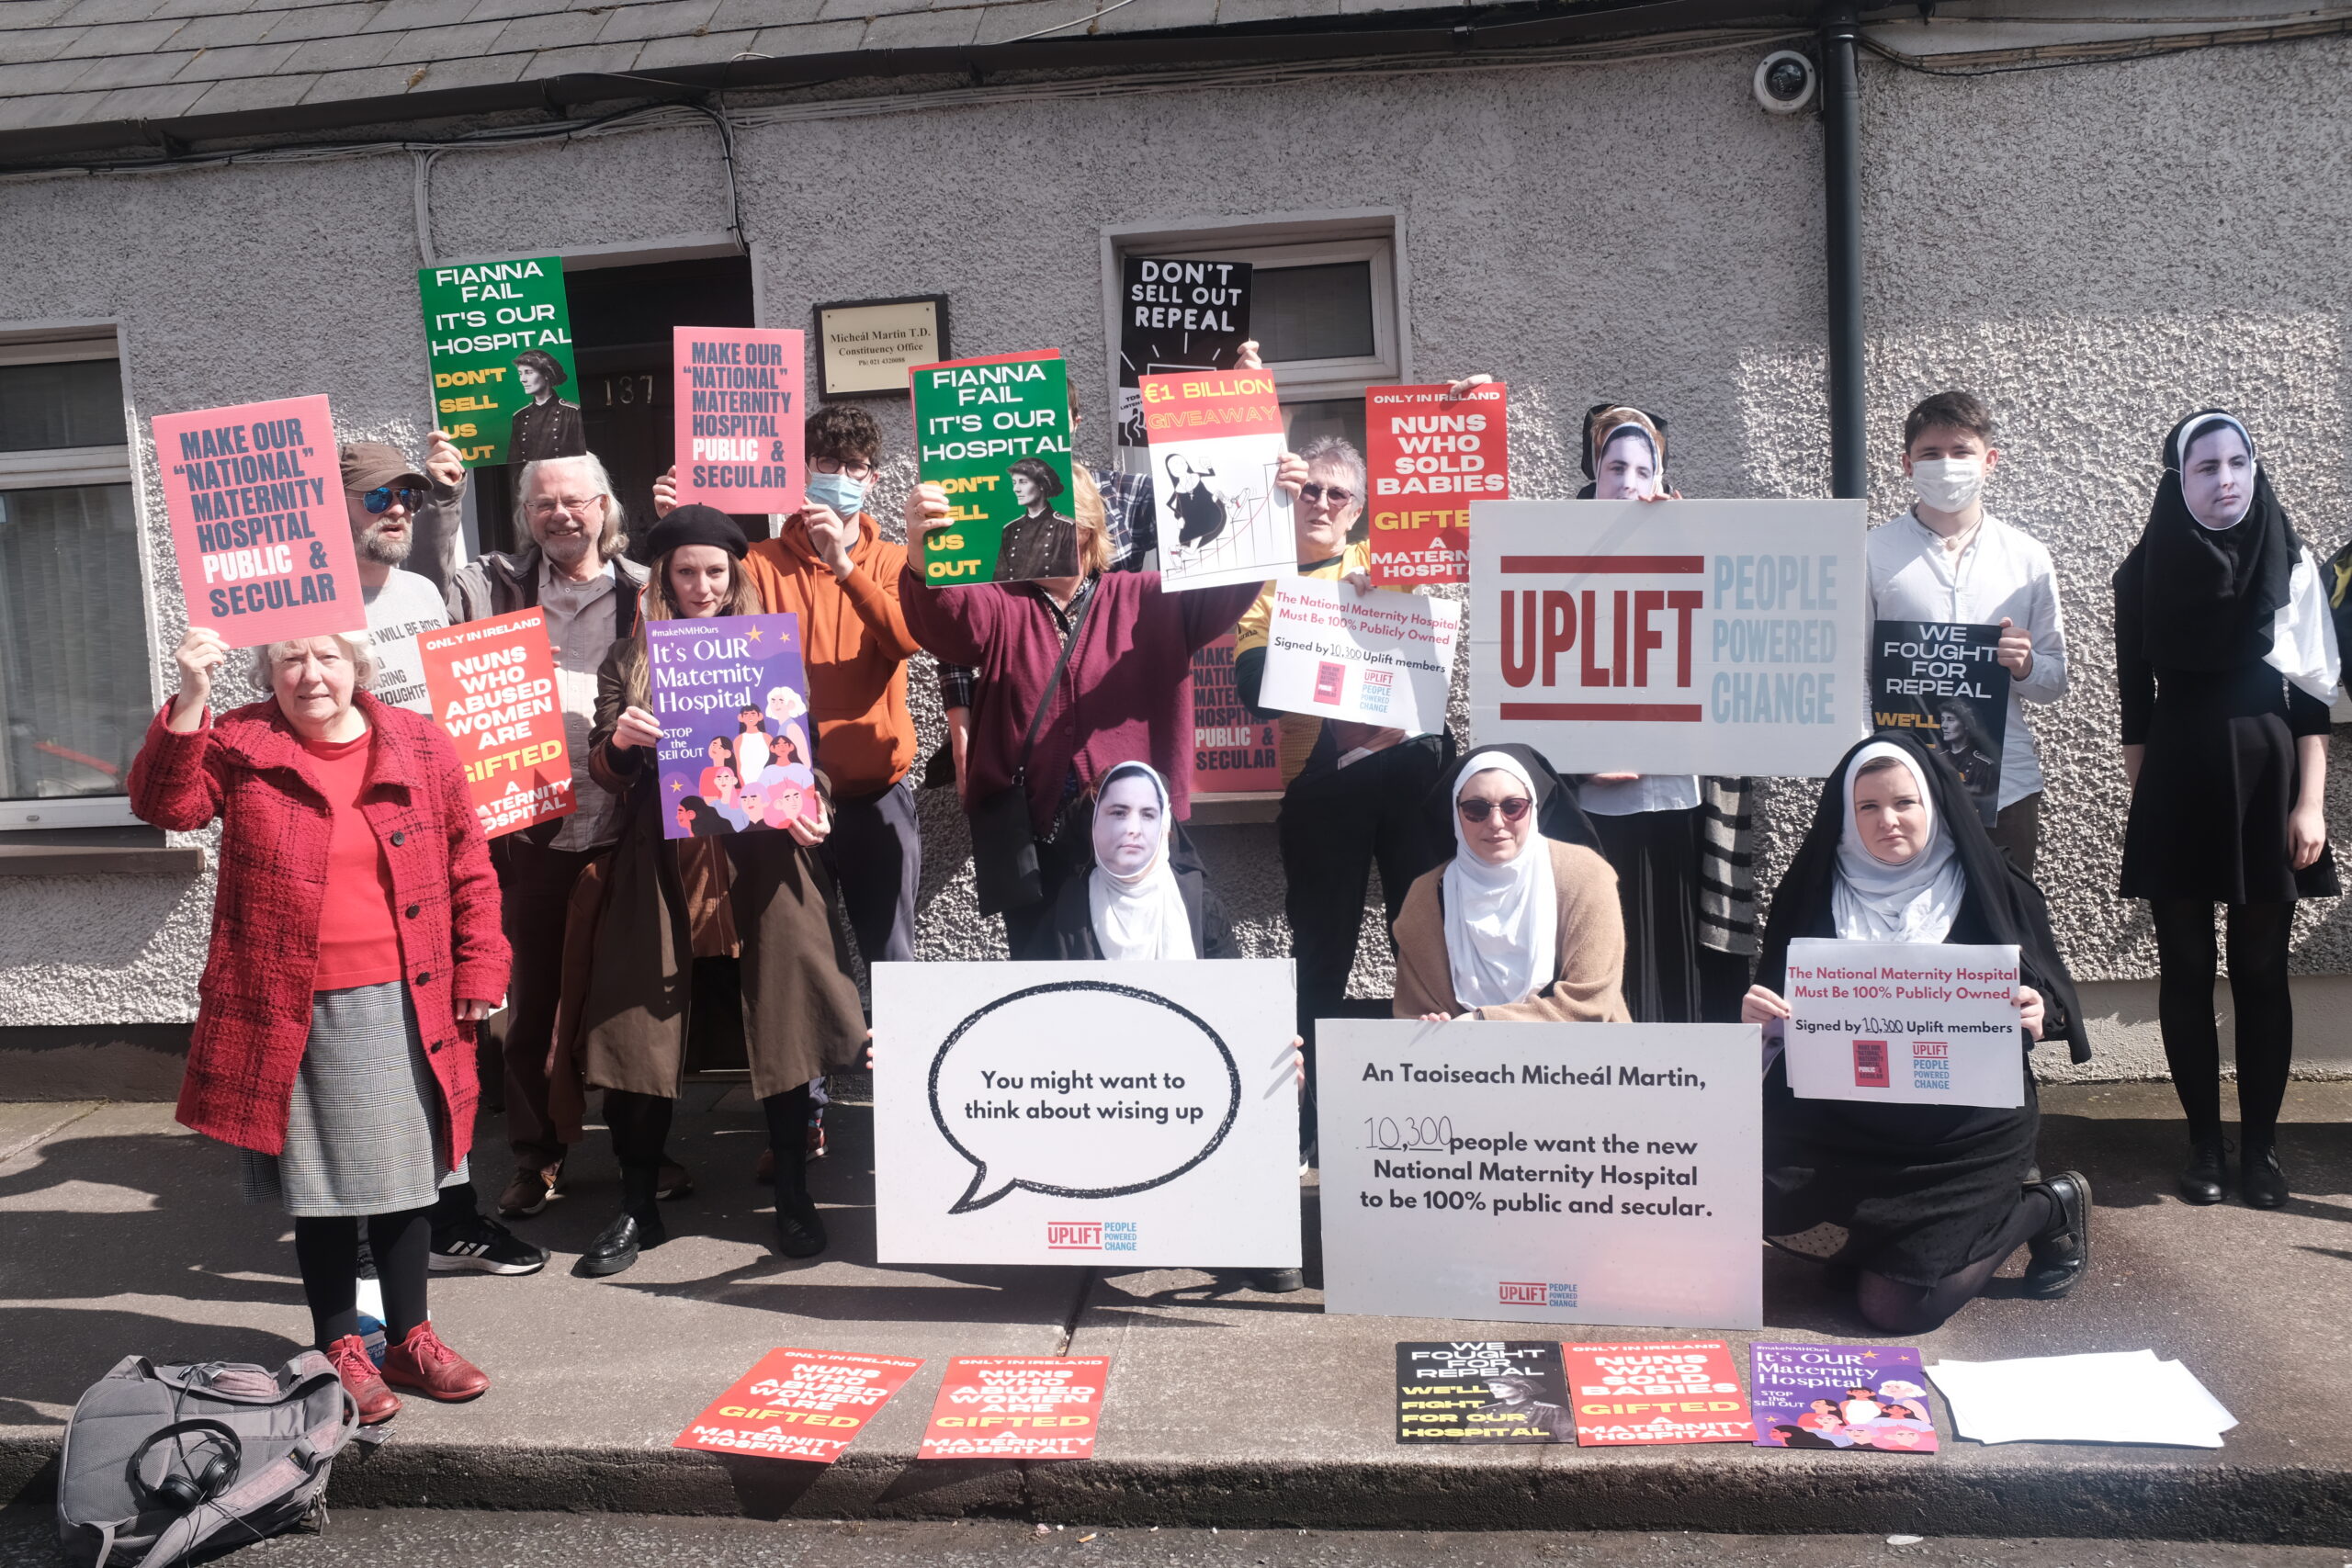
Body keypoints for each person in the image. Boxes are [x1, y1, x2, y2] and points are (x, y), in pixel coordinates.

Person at [129, 626, 508, 1424]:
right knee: (326, 1189)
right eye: (291, 659)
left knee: (413, 1179)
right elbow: (165, 803)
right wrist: (192, 695)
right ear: (270, 673)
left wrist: (481, 966)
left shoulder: (418, 741)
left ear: (360, 667)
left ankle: (410, 1338)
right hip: (290, 1004)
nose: (311, 674)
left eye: (328, 657)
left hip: (410, 994)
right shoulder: (240, 739)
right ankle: (341, 1345)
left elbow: (469, 860)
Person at [569, 505, 867, 1275]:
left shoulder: (769, 652)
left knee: (787, 1024)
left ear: (734, 575)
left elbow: (807, 753)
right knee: (637, 1029)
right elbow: (606, 767)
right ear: (663, 578)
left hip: (763, 862)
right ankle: (638, 1206)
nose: (701, 586)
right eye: (684, 572)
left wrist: (815, 800)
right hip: (663, 863)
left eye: (714, 571)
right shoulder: (627, 658)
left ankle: (793, 1194)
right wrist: (622, 745)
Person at [1740, 735, 2091, 1333]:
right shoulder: (1811, 889)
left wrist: (2039, 1010)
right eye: (1868, 807)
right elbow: (1777, 1009)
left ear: (1934, 804)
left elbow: (2051, 994)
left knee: (1895, 1307)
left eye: (1905, 802)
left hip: (1958, 1137)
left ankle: (2046, 1205)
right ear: (1847, 816)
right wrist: (1759, 1016)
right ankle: (1877, 1244)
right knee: (1748, 1199)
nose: (1888, 820)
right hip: (1838, 1123)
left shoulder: (1988, 883)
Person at [900, 454, 1299, 956]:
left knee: (1143, 969)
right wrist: (920, 553)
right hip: (1037, 839)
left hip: (1132, 826)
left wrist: (1264, 486)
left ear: (1085, 530)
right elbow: (947, 622)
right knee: (1046, 983)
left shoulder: (1150, 598)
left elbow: (1230, 581)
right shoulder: (1003, 603)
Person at [421, 450, 653, 1226]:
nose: (561, 514)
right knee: (530, 1004)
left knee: (627, 1002)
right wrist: (446, 505)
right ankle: (536, 1154)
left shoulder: (644, 590)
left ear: (604, 506)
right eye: (544, 503)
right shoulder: (493, 587)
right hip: (528, 830)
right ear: (525, 514)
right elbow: (430, 602)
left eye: (576, 501)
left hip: (627, 826)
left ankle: (640, 1155)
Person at [2114, 410, 2339, 1209]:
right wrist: (2151, 805)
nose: (2225, 478)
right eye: (2205, 467)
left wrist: (2311, 805)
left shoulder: (2293, 558)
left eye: (2238, 460)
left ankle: (2263, 1150)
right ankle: (2204, 1144)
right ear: (2180, 479)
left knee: (2260, 969)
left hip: (2268, 778)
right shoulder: (2140, 573)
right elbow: (2135, 711)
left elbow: (2313, 697)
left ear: (2254, 465)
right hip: (2176, 776)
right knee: (2184, 969)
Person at [653, 404, 926, 976]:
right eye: (829, 463)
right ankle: (819, 1072)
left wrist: (844, 566)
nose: (842, 476)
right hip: (784, 796)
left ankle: (899, 1067)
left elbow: (905, 640)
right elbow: (702, 637)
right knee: (802, 966)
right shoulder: (757, 563)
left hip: (877, 791)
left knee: (894, 963)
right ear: (805, 470)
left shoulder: (896, 561)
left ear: (873, 478)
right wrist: (681, 533)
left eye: (856, 467)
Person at [1232, 434, 1453, 1138]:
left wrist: (1464, 405)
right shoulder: (1263, 583)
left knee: (1425, 950)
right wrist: (1324, 627)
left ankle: (1438, 1114)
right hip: (1320, 787)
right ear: (1289, 500)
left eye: (1338, 493)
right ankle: (1302, 1124)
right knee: (1320, 955)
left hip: (1410, 781)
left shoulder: (1383, 560)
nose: (1322, 502)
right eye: (1309, 490)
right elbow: (1255, 694)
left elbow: (1451, 520)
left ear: (1358, 510)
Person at [1570, 405, 1756, 1023]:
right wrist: (1576, 764)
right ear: (1593, 474)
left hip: (1681, 800)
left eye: (1642, 468)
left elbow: (1739, 653)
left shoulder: (1695, 550)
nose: (1628, 480)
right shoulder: (1550, 556)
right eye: (1614, 465)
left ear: (1661, 478)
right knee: (1602, 955)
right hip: (1594, 809)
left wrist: (1697, 550)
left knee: (1680, 965)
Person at [1866, 390, 2069, 872]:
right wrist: (1871, 772)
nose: (1947, 465)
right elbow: (1856, 673)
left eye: (1961, 452)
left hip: (2007, 782)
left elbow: (2054, 680)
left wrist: (2025, 666)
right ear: (1907, 464)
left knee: (2004, 928)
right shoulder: (1872, 552)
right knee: (1910, 929)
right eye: (1931, 454)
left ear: (1989, 460)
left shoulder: (2027, 558)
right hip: (1903, 784)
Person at [1391, 746, 1632, 1022]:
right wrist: (1431, 1026)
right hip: (1460, 1063)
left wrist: (1483, 1021)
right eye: (1476, 809)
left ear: (1534, 809)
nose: (1495, 822)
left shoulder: (1586, 876)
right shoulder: (1426, 897)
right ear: (1456, 815)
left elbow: (1588, 1004)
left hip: (1581, 1061)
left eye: (1513, 807)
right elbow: (1412, 1013)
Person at [1025, 761, 1238, 960]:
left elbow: (1232, 993)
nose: (1132, 830)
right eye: (1118, 813)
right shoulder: (1067, 911)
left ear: (1165, 829)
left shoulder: (1201, 908)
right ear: (1094, 827)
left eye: (1147, 814)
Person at [342, 436, 464, 716]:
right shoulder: (319, 612)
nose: (398, 509)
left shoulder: (425, 590)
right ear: (337, 507)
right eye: (377, 497)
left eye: (408, 497)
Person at [993, 457, 1080, 582]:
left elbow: (1072, 581)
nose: (1016, 489)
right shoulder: (1010, 529)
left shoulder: (1066, 527)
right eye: (1014, 482)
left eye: (1023, 482)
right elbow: (999, 581)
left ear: (1041, 485)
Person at [508, 349, 586, 463]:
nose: (522, 379)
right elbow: (514, 462)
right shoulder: (519, 417)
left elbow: (582, 461)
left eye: (528, 372)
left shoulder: (572, 412)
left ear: (547, 375)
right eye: (520, 373)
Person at [1163, 453, 1227, 549]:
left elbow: (1212, 474)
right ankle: (1187, 550)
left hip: (1211, 510)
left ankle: (1229, 503)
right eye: (1174, 465)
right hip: (1194, 520)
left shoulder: (1196, 475)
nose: (1179, 466)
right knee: (1190, 538)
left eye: (1181, 462)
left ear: (1186, 463)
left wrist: (1208, 466)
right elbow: (1169, 504)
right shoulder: (1178, 489)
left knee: (1216, 493)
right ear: (1171, 471)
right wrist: (1179, 517)